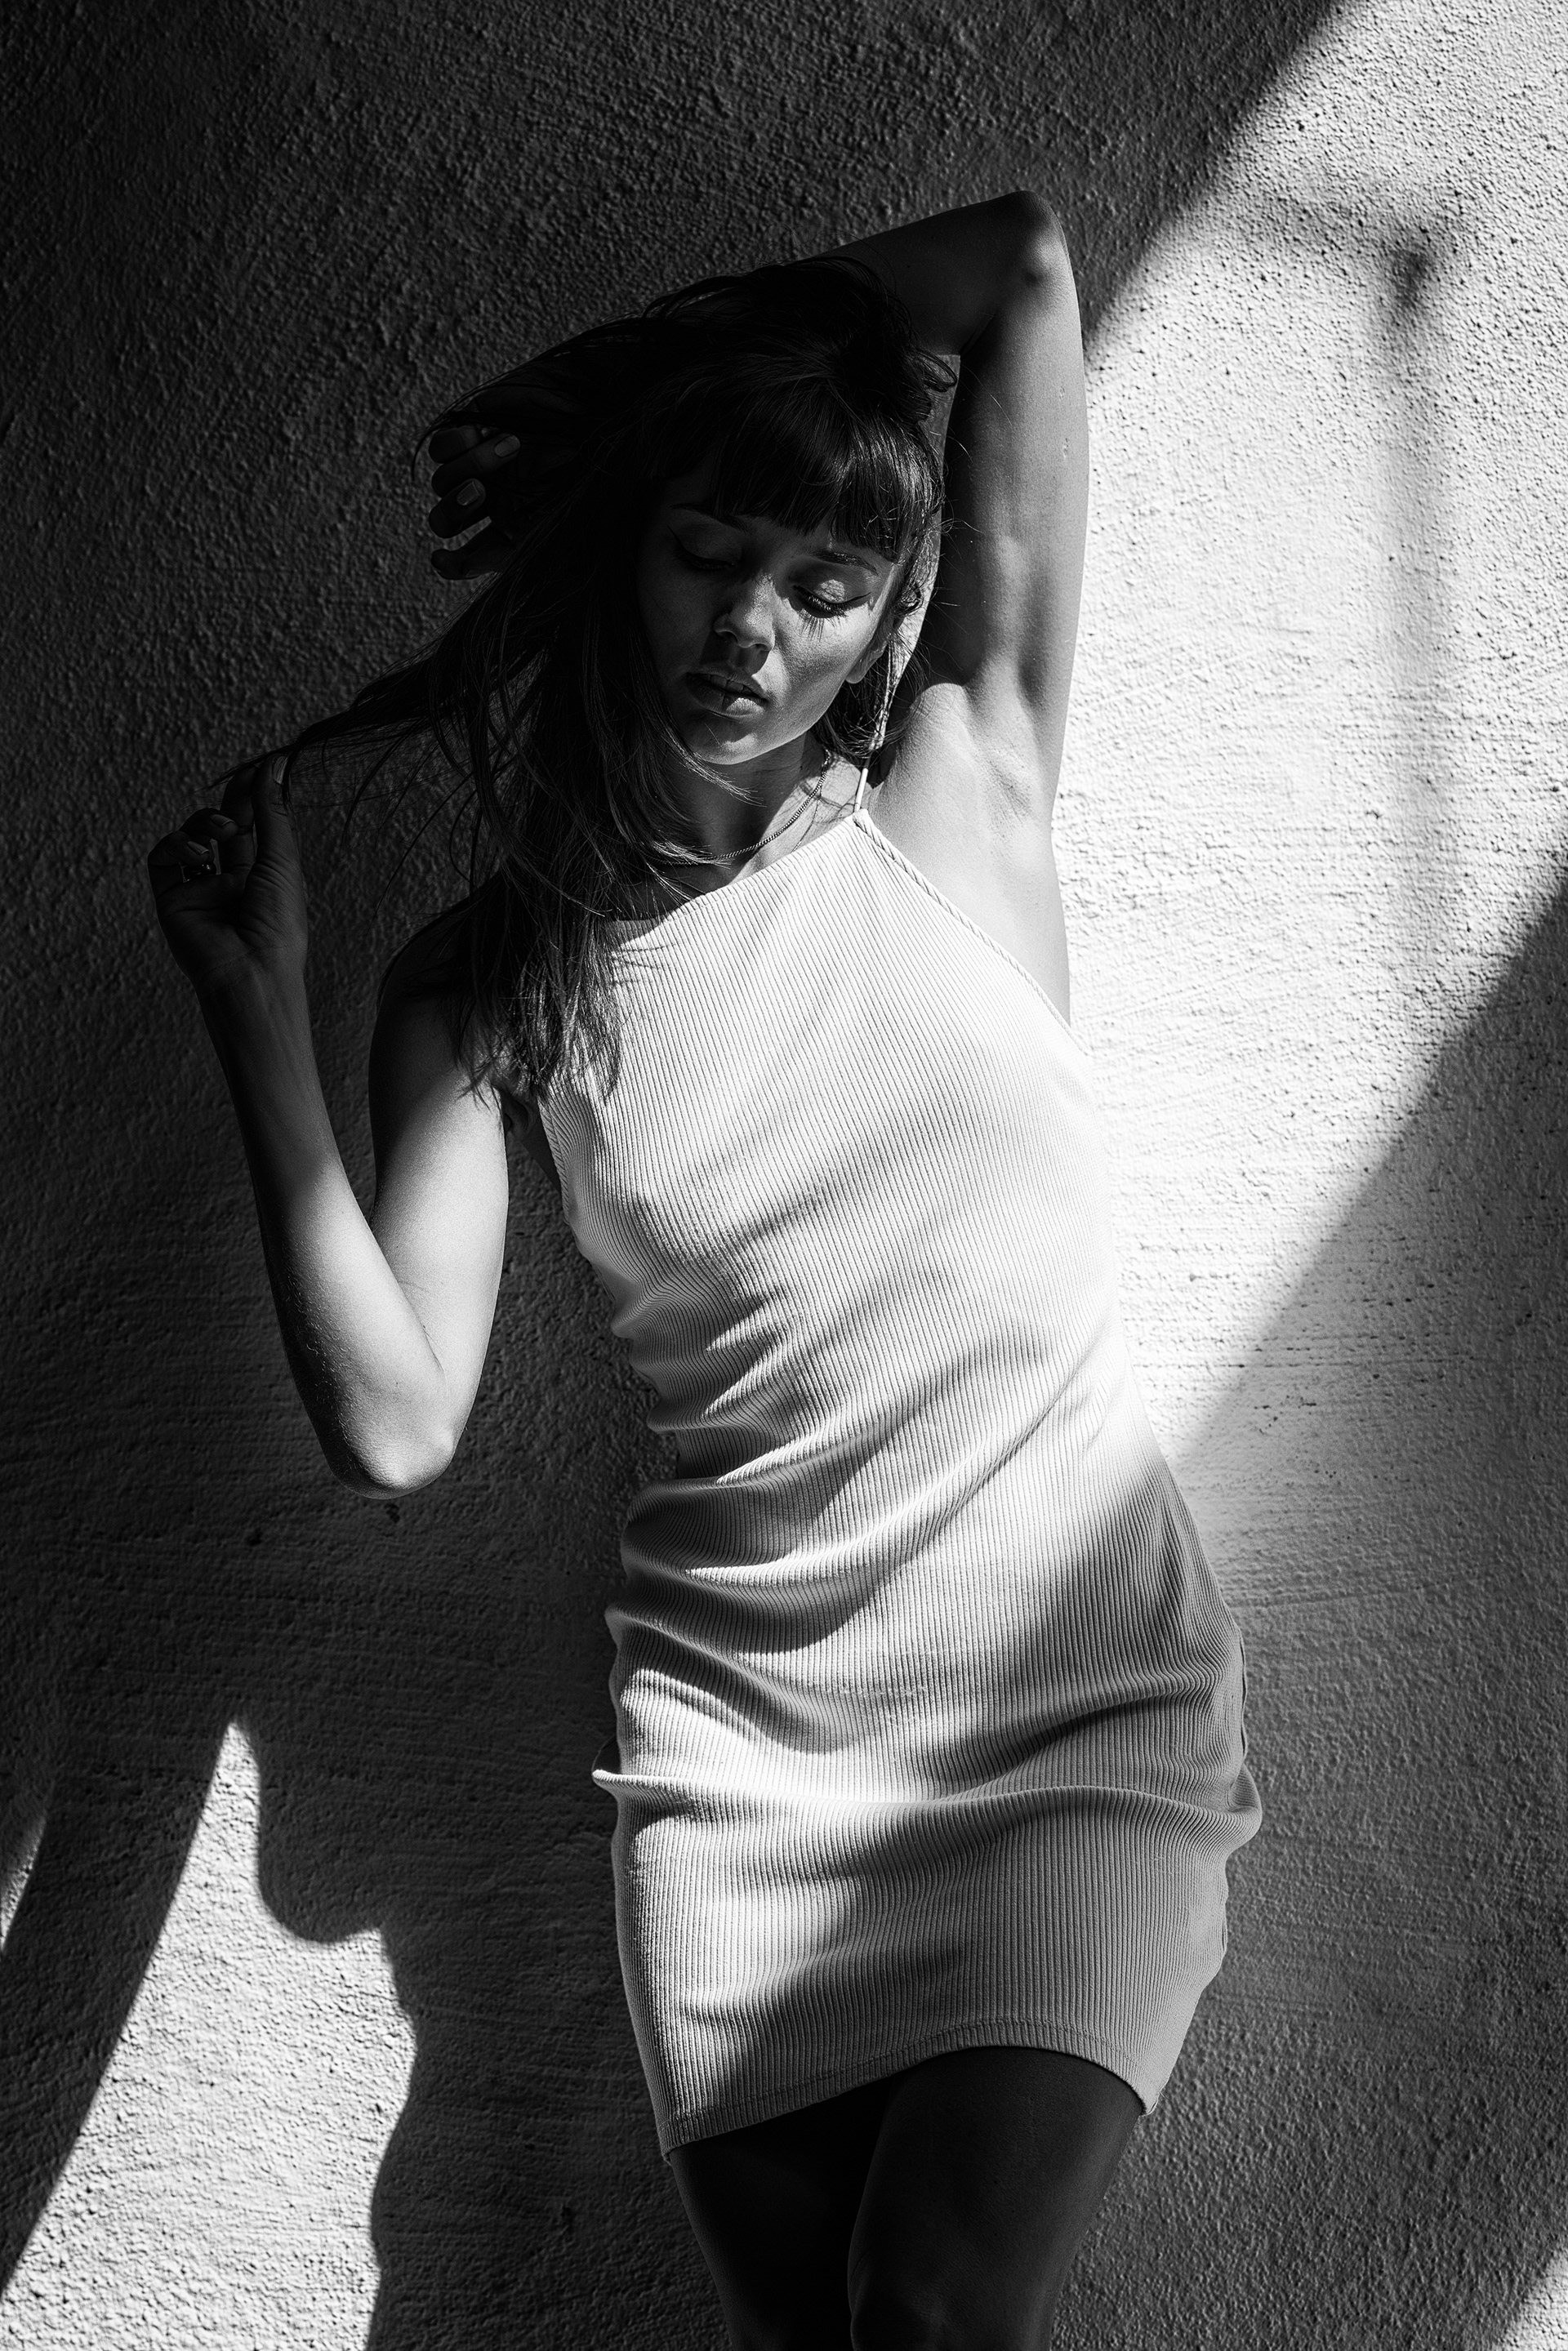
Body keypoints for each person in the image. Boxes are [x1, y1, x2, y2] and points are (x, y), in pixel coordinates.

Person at [148, 193, 1260, 2349]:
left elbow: (1021, 265)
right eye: (706, 553)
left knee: (928, 2315)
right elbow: (398, 1421)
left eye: (824, 584)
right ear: (621, 558)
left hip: (1075, 1724)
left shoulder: (964, 788)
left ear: (884, 614)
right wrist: (259, 1020)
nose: (757, 628)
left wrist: (616, 377)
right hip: (743, 1766)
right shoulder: (490, 984)